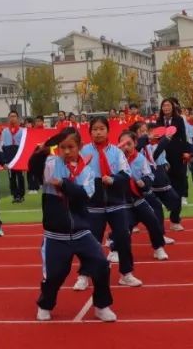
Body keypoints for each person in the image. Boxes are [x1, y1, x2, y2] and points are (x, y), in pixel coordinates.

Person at [29, 128, 117, 322]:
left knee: (101, 265)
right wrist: (40, 153)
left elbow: (84, 195)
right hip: (55, 235)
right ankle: (45, 305)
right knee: (55, 276)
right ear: (57, 148)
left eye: (71, 147)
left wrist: (63, 184)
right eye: (62, 147)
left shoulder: (86, 171)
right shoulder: (51, 163)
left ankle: (102, 306)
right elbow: (34, 168)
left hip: (81, 232)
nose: (67, 151)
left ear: (79, 148)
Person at [72, 117, 143, 291]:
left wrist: (113, 179)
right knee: (90, 241)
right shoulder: (84, 152)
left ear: (107, 131)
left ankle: (126, 274)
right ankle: (84, 275)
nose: (98, 132)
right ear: (90, 132)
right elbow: (75, 174)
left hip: (116, 203)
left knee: (123, 238)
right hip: (93, 205)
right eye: (94, 129)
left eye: (101, 128)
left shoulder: (116, 152)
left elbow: (126, 174)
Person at [117, 130, 168, 260]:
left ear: (135, 143)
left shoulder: (140, 158)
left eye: (129, 143)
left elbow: (149, 175)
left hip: (139, 199)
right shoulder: (115, 160)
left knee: (153, 222)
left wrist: (144, 183)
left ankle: (158, 248)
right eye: (122, 144)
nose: (126, 147)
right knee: (122, 228)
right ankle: (115, 250)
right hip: (123, 202)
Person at [140, 124, 184, 232]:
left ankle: (174, 221)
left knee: (176, 200)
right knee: (148, 209)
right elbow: (153, 156)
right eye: (143, 131)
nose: (147, 134)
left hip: (161, 177)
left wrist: (165, 163)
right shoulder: (141, 147)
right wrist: (166, 140)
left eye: (148, 131)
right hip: (148, 179)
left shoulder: (157, 144)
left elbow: (160, 157)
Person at [156, 98, 191, 203]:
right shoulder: (159, 121)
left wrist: (186, 151)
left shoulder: (179, 119)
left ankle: (182, 196)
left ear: (172, 107)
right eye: (164, 106)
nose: (166, 108)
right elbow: (157, 136)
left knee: (180, 173)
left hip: (177, 150)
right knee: (166, 175)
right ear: (161, 108)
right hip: (163, 151)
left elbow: (183, 136)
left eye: (168, 105)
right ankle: (169, 198)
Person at [1, 110, 26, 203]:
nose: (12, 118)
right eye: (11, 116)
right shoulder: (4, 131)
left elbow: (24, 145)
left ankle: (21, 195)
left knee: (20, 177)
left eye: (14, 116)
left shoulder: (23, 131)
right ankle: (15, 195)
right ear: (8, 118)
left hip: (19, 156)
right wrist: (4, 159)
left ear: (18, 118)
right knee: (12, 177)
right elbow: (2, 144)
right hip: (9, 156)